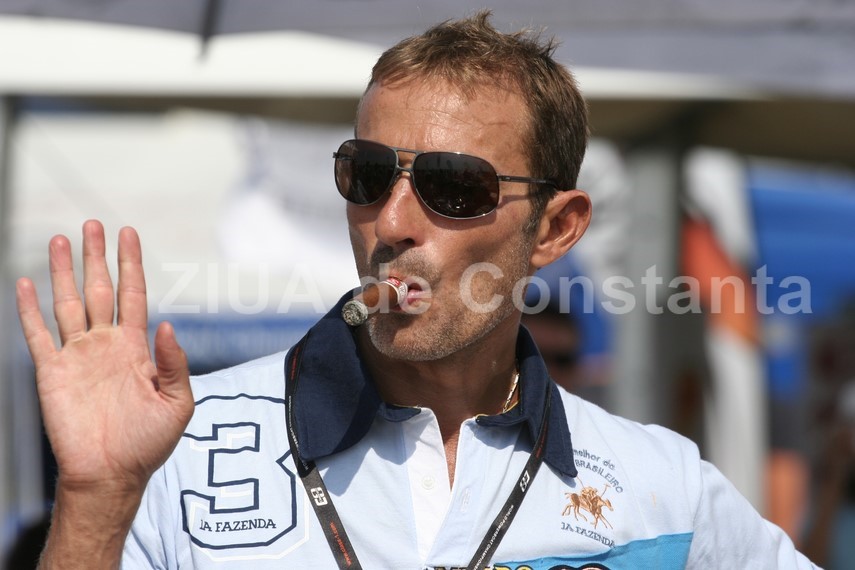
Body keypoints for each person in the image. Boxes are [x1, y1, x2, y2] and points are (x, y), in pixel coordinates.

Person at [16, 11, 818, 569]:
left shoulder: (659, 487)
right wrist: (96, 494)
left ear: (555, 229)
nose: (391, 222)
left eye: (453, 187)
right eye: (365, 174)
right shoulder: (176, 447)